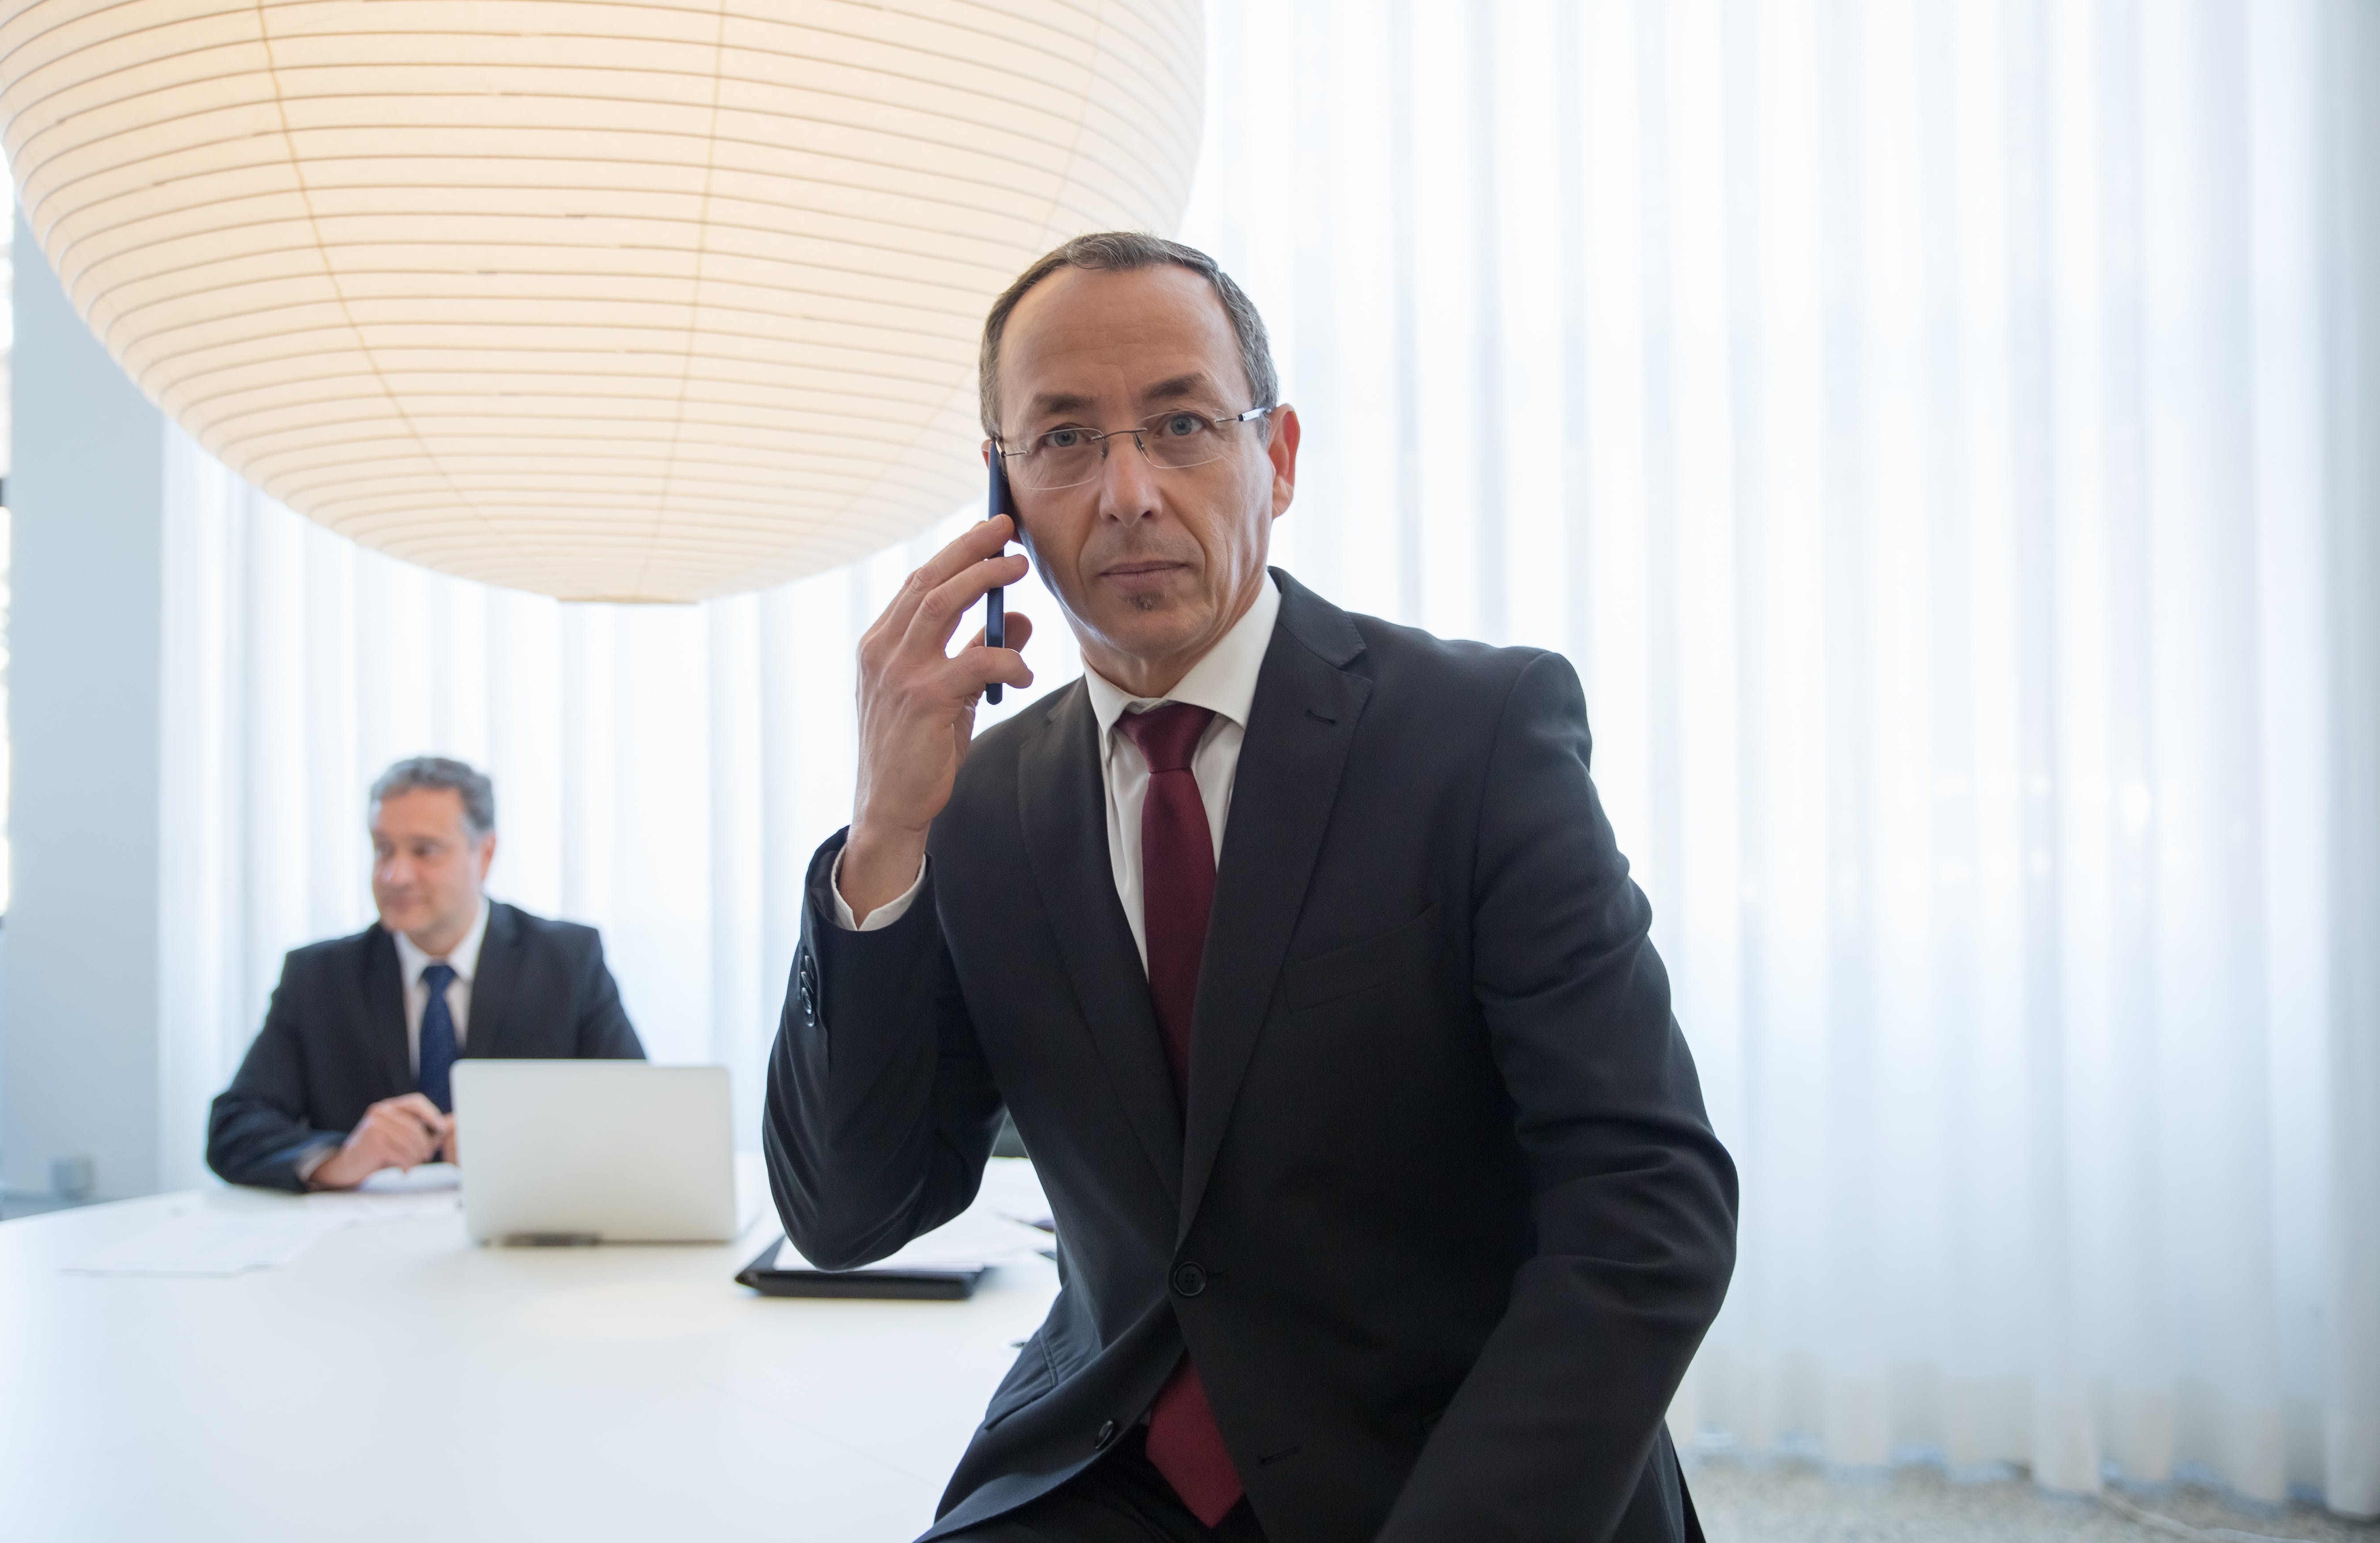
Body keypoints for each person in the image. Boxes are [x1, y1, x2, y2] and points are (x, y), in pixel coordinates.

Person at [764, 232, 1739, 1543]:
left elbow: (1647, 1209)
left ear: (1274, 458)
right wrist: (883, 836)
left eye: (1180, 424)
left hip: (1451, 1465)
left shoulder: (1480, 733)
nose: (1127, 492)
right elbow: (849, 1213)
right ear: (1001, 487)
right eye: (1063, 440)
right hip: (1111, 1461)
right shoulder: (975, 804)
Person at [207, 756, 644, 1191]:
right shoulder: (320, 977)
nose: (395, 875)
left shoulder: (565, 961)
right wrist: (337, 1159)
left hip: (523, 1230)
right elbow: (234, 1126)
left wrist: (519, 1146)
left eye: (425, 851)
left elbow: (639, 1118)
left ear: (485, 853)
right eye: (383, 849)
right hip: (363, 1242)